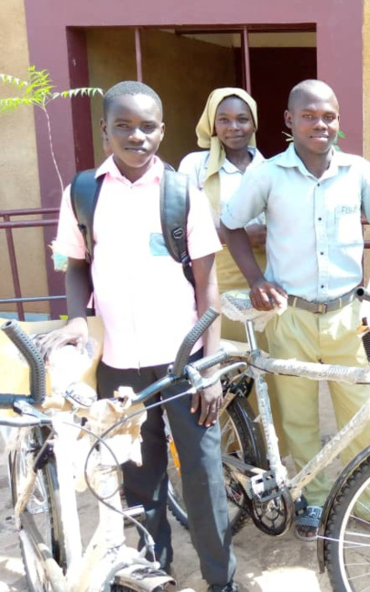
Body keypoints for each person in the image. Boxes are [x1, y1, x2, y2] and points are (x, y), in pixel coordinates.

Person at [45, 81, 237, 592]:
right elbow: (75, 266)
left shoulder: (181, 193)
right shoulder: (85, 193)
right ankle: (156, 574)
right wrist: (75, 320)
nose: (136, 136)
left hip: (183, 362)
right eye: (123, 126)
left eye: (147, 126)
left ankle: (221, 581)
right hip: (119, 366)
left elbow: (207, 285)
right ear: (104, 130)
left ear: (162, 131)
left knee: (202, 479)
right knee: (138, 479)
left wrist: (210, 368)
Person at [220, 79, 370, 542]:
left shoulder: (358, 171)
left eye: (329, 116)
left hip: (350, 317)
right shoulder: (268, 175)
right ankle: (312, 499)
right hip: (291, 317)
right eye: (309, 116)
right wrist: (256, 280)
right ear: (289, 121)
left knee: (361, 417)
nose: (321, 124)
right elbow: (231, 225)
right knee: (295, 420)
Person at [179, 88, 267, 343]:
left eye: (242, 119)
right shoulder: (195, 166)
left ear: (254, 124)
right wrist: (239, 236)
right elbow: (183, 228)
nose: (233, 127)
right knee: (223, 351)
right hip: (214, 273)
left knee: (264, 354)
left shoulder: (270, 168)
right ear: (212, 124)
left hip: (266, 273)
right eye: (224, 120)